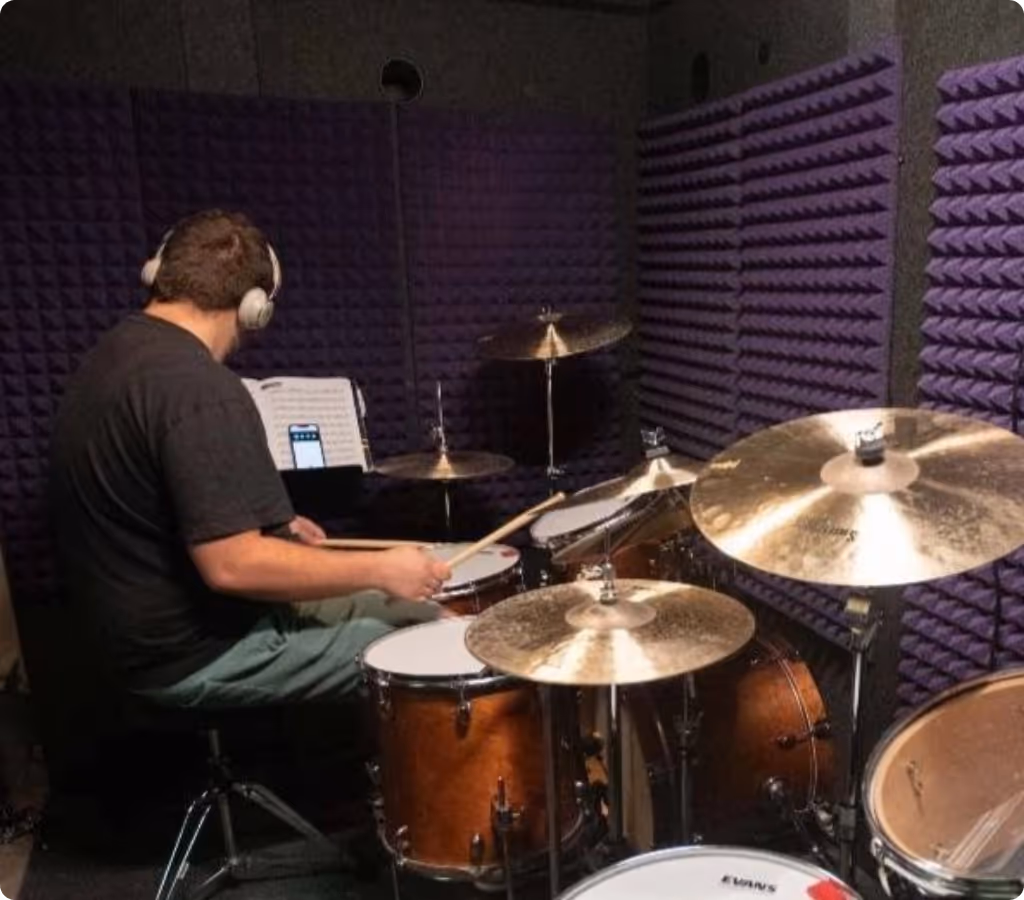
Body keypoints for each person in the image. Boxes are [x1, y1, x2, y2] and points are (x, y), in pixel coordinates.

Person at [49, 209, 451, 709]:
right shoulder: (199, 387)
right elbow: (232, 567)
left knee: (377, 604)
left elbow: (156, 505)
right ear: (254, 308)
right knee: (428, 631)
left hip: (126, 640)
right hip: (193, 654)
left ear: (159, 273)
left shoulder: (112, 355)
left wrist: (267, 527)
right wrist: (381, 569)